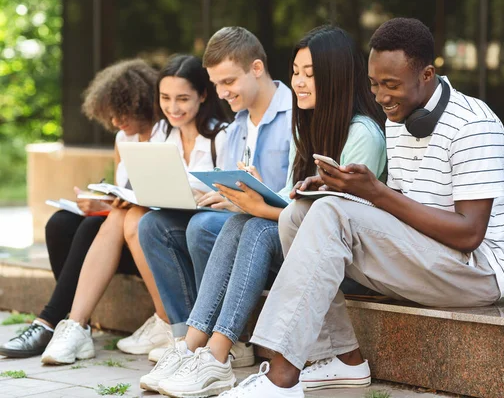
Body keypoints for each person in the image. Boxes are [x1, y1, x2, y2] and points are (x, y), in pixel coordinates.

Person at [224, 17, 504, 398]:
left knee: (331, 212)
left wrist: (374, 193)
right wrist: (343, 188)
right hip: (425, 254)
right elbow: (396, 211)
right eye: (375, 84)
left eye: (392, 85)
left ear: (427, 75)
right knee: (300, 212)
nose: (381, 97)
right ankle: (343, 359)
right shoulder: (399, 117)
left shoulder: (473, 126)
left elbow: (468, 234)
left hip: (477, 272)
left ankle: (281, 378)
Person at [139, 25, 387, 397]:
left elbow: (339, 222)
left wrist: (262, 206)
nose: (299, 82)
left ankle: (217, 355)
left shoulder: (363, 135)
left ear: (336, 77)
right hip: (304, 247)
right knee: (241, 220)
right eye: (296, 72)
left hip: (345, 262)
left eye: (310, 74)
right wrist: (259, 195)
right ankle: (193, 348)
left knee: (253, 226)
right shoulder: (309, 127)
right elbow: (293, 195)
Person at [39, 54, 230, 365]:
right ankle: (75, 325)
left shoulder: (219, 135)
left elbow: (227, 193)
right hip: (157, 226)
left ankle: (164, 322)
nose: (173, 108)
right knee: (114, 216)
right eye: (166, 98)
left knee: (132, 219)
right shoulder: (165, 133)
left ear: (202, 95)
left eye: (182, 98)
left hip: (193, 231)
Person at [137, 27, 293, 370]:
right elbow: (232, 184)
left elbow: (295, 192)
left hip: (273, 230)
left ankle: (227, 339)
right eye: (217, 84)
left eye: (228, 82)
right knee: (153, 225)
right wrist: (218, 194)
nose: (222, 93)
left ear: (256, 68)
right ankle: (185, 338)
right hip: (241, 220)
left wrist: (244, 200)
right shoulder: (238, 125)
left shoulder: (295, 115)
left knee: (203, 226)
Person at [0, 59, 158, 359]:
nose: (115, 122)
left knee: (90, 227)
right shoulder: (123, 138)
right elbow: (123, 192)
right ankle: (71, 326)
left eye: (122, 113)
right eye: (110, 115)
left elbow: (153, 199)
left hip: (144, 242)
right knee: (59, 223)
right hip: (116, 234)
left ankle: (50, 322)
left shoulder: (167, 134)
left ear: (142, 103)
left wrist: (109, 207)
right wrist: (100, 201)